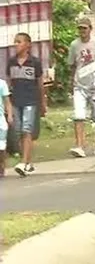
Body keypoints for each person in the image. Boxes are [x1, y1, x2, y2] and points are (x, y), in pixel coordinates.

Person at [7, 33, 46, 177]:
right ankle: (28, 162)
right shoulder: (11, 62)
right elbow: (10, 83)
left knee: (27, 129)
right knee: (18, 131)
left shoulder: (34, 62)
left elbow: (40, 84)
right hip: (16, 101)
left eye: (19, 42)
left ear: (28, 44)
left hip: (31, 100)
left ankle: (23, 162)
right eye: (15, 42)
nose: (16, 45)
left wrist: (42, 103)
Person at [68, 17, 95, 158]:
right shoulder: (74, 45)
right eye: (80, 28)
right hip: (80, 85)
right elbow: (72, 65)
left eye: (84, 28)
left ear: (90, 29)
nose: (82, 31)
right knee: (78, 115)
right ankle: (79, 145)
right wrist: (71, 82)